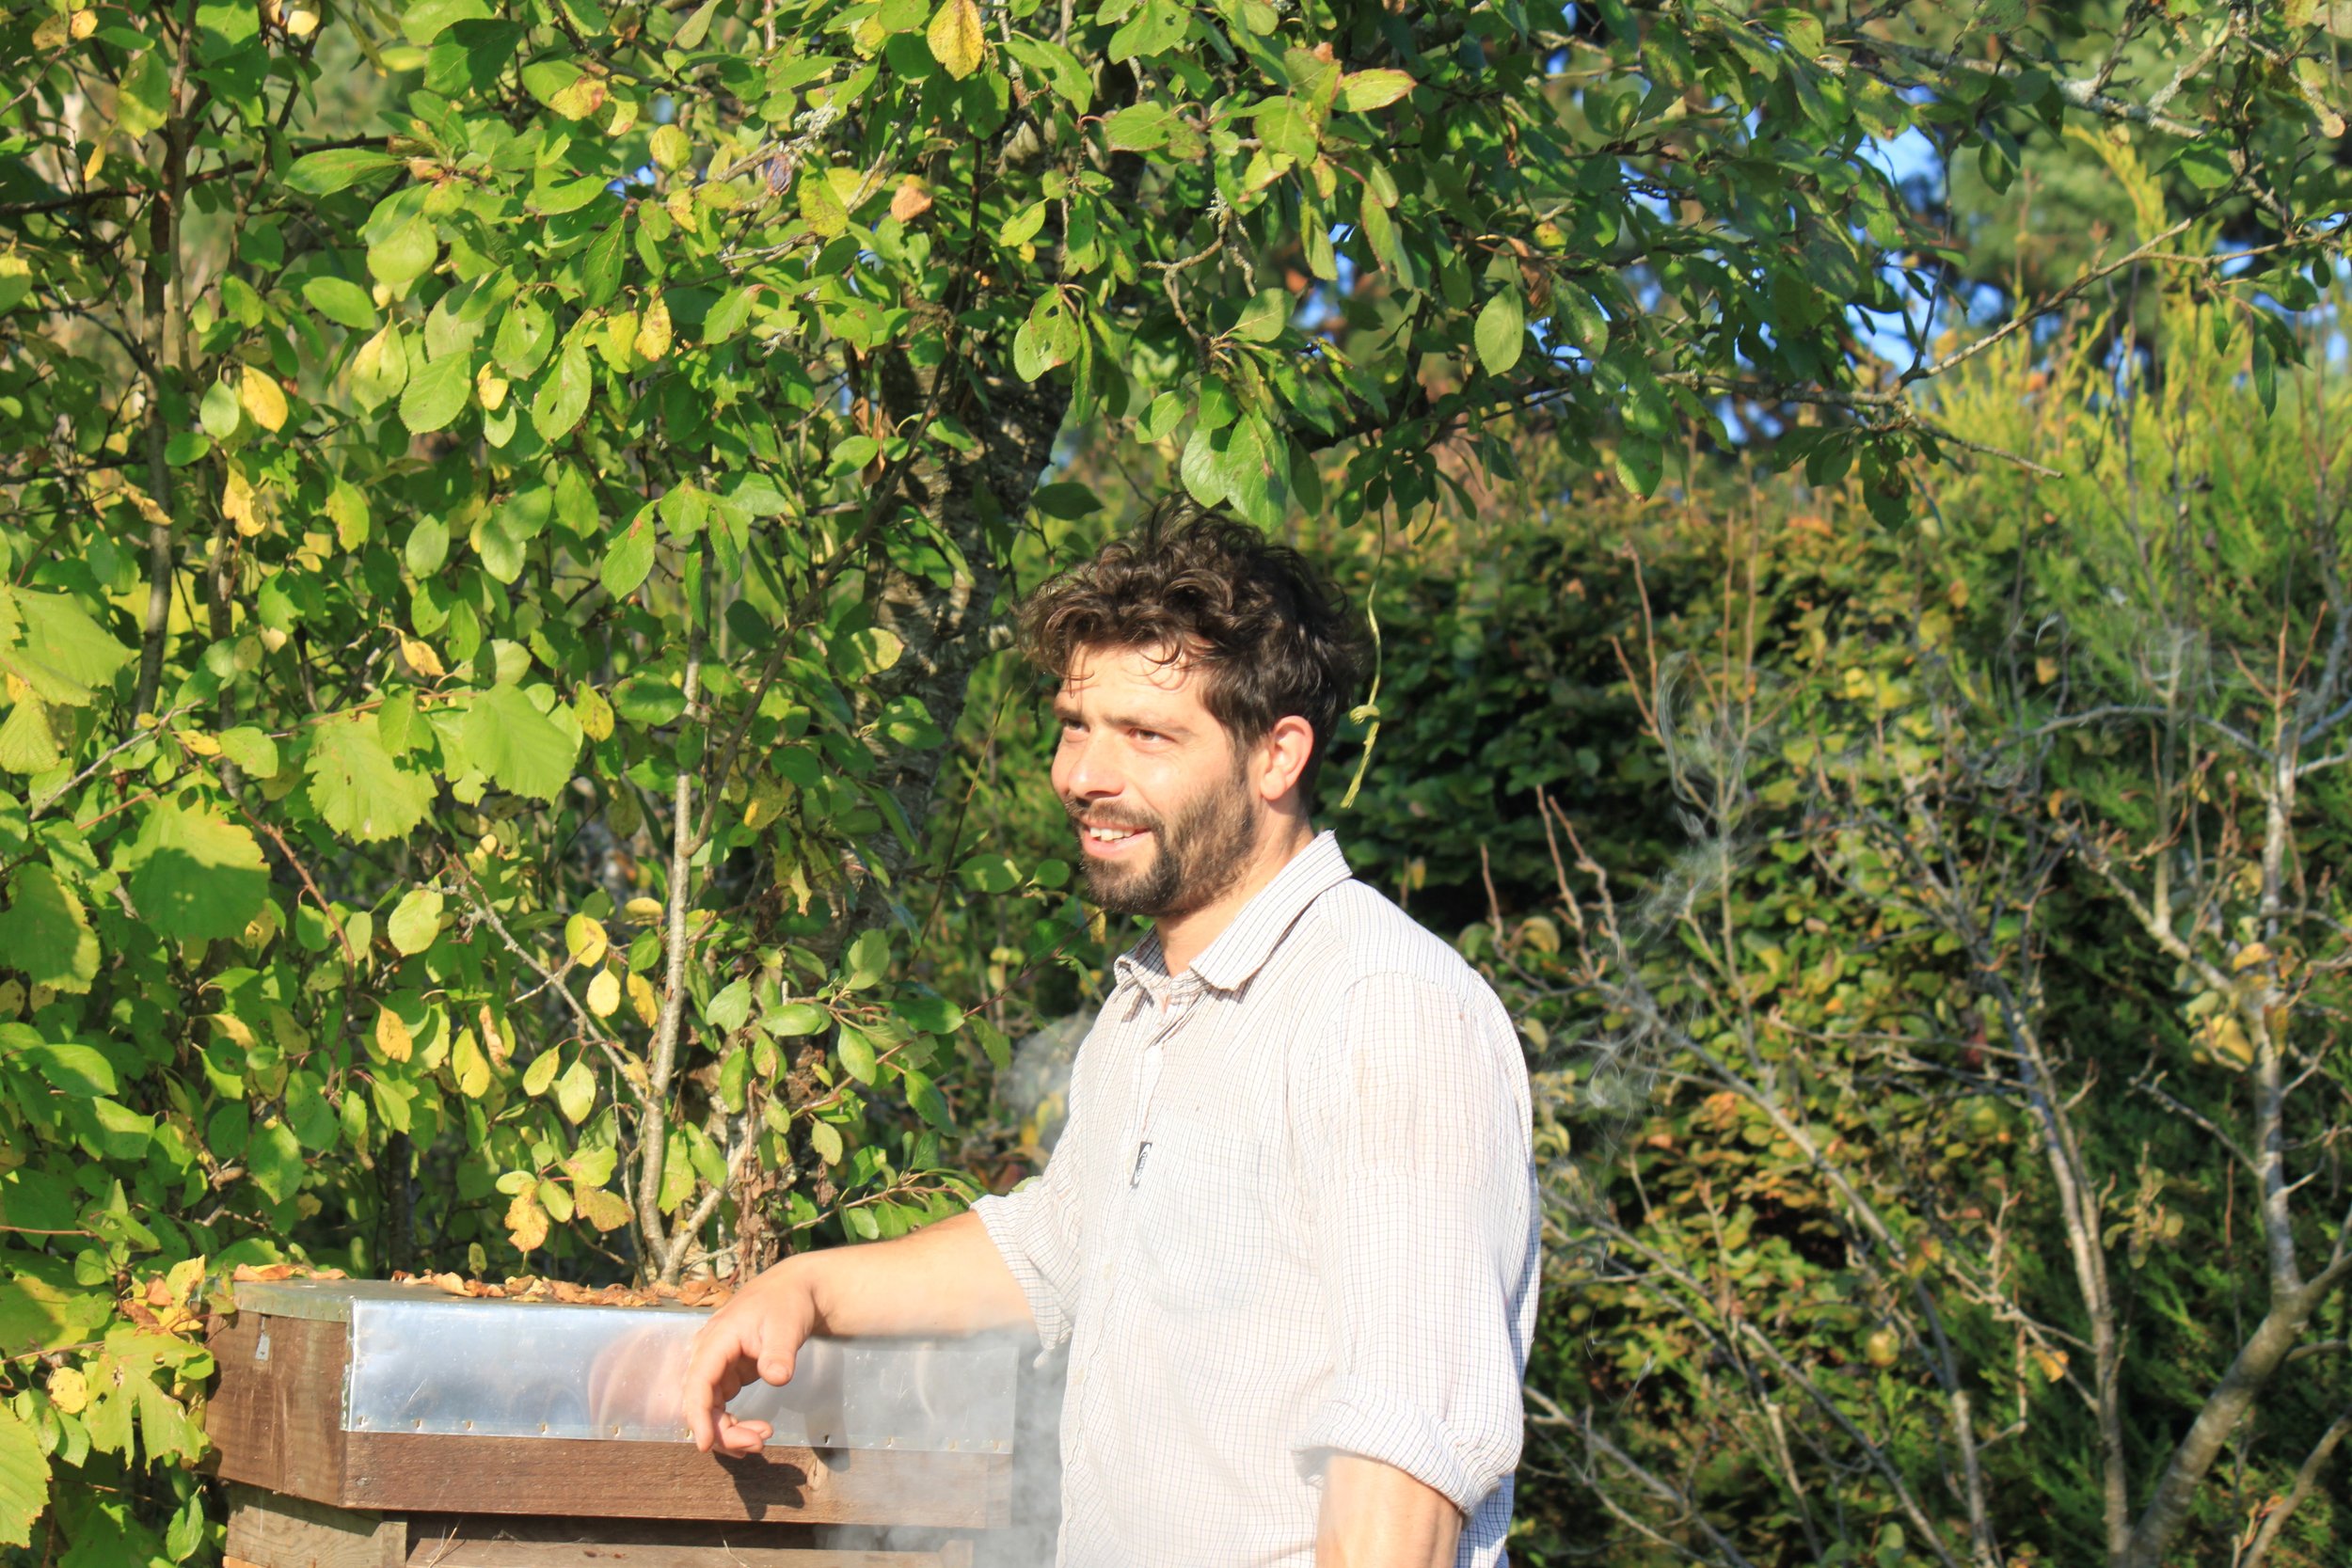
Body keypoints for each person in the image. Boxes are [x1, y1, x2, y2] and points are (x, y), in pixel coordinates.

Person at [679, 506, 1539, 1568]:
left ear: (1278, 755)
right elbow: (1054, 1248)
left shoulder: (1381, 1009)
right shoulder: (1149, 1005)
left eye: (1147, 735)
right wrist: (806, 1287)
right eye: (1076, 724)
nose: (1082, 772)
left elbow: (1404, 1450)